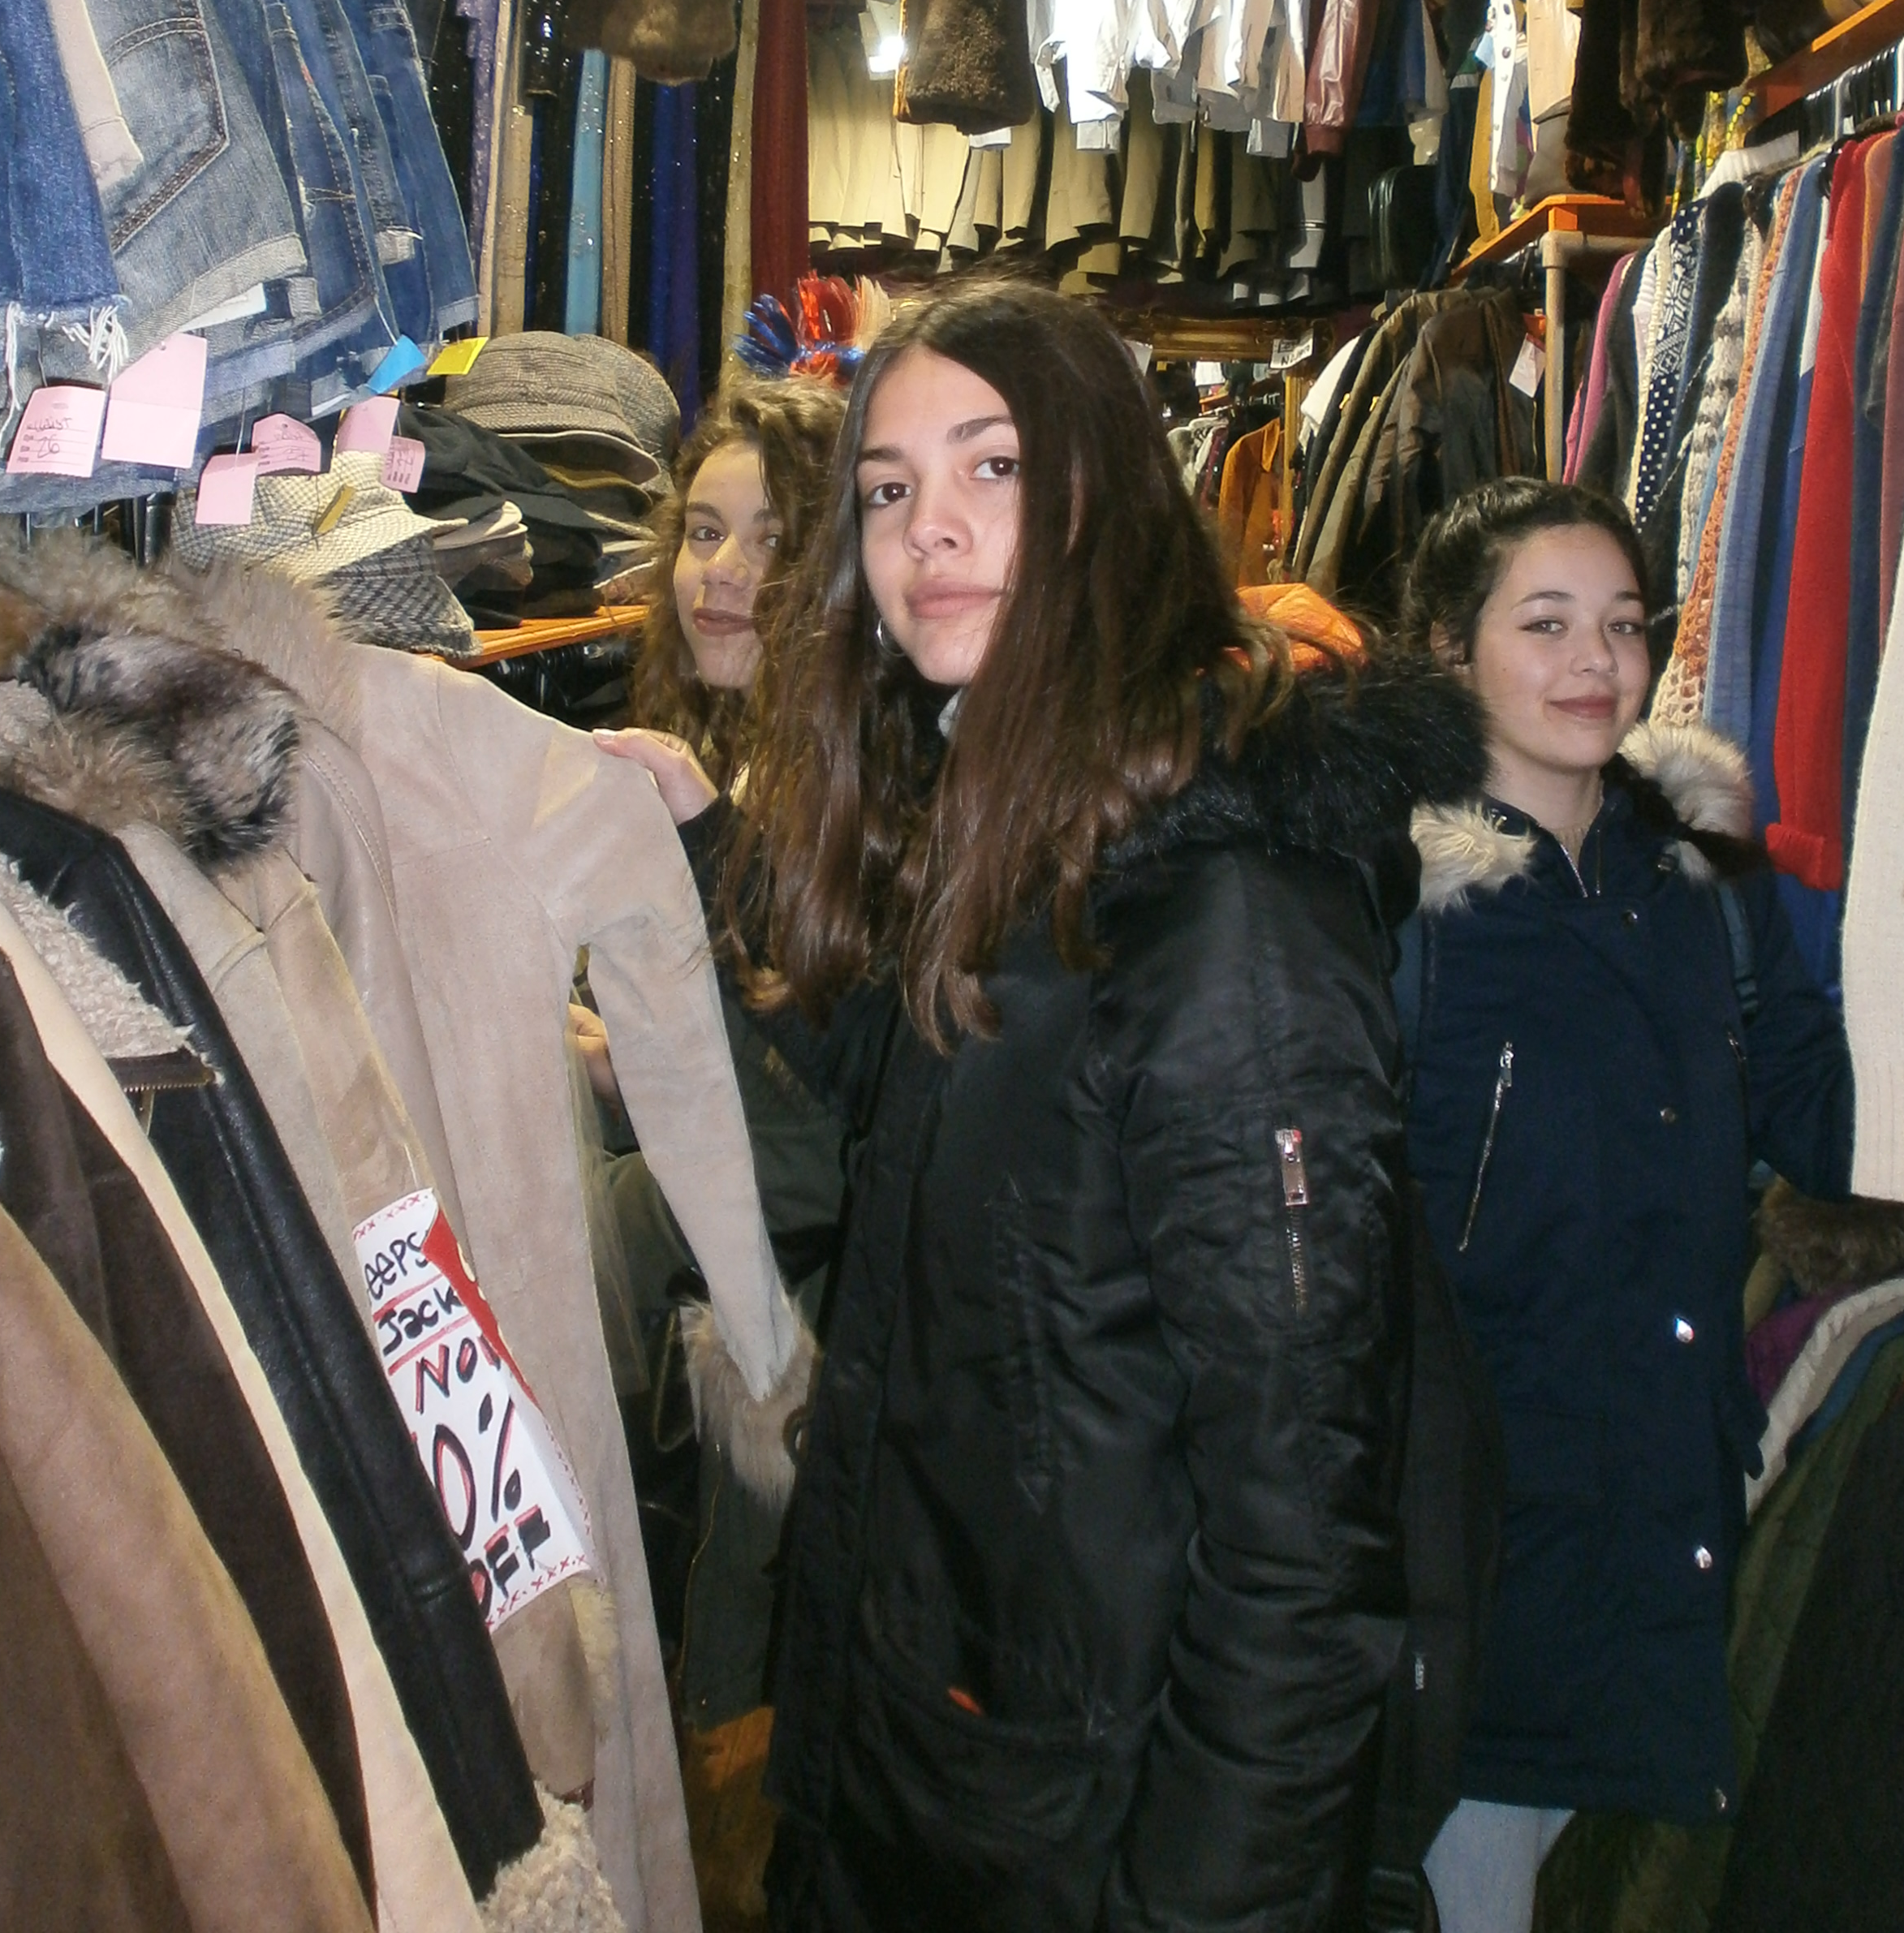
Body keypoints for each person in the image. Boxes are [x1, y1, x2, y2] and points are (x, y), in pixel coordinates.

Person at [738, 275, 1489, 1933]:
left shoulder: (1227, 918)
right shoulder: (1011, 837)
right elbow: (964, 1157)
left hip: (1082, 1839)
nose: (929, 527)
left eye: (992, 466)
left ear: (1108, 499)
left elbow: (1304, 1547)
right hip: (933, 1782)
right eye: (888, 487)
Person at [1398, 479, 1855, 1933]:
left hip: (1665, 1525)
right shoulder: (1387, 908)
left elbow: (1825, 1114)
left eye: (1624, 625)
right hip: (1477, 1554)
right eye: (1546, 625)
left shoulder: (1703, 883)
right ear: (1449, 648)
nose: (1597, 662)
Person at [577, 372, 849, 1726]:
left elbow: (826, 1135)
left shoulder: (849, 796)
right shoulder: (730, 748)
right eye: (702, 533)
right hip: (726, 1314)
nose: (722, 575)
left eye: (771, 540)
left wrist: (632, 1083)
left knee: (735, 1706)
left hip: (791, 1341)